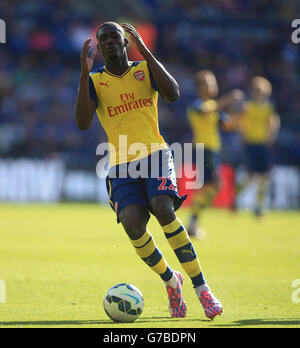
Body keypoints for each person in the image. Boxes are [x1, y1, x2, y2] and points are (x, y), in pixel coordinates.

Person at [74, 22, 222, 320]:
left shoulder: (143, 70)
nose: (110, 41)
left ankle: (202, 288)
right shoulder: (95, 80)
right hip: (120, 163)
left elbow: (173, 94)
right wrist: (83, 72)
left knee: (163, 208)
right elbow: (82, 123)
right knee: (133, 224)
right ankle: (171, 280)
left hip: (155, 154)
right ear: (99, 49)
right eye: (103, 39)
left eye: (115, 36)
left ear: (126, 42)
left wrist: (146, 51)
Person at [186, 70, 244, 238]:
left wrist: (240, 114)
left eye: (213, 83)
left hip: (212, 151)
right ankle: (193, 222)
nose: (213, 86)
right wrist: (230, 99)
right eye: (209, 83)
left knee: (208, 187)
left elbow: (229, 126)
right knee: (213, 185)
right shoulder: (197, 105)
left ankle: (193, 222)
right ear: (200, 87)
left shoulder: (214, 109)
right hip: (202, 149)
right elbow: (206, 111)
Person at [236, 76, 280, 216]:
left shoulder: (268, 107)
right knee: (249, 177)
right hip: (251, 144)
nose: (260, 93)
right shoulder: (247, 107)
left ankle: (258, 207)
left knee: (264, 177)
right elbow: (240, 123)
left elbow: (273, 122)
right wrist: (242, 136)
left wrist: (272, 136)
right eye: (257, 90)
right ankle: (235, 199)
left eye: (262, 91)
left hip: (263, 145)